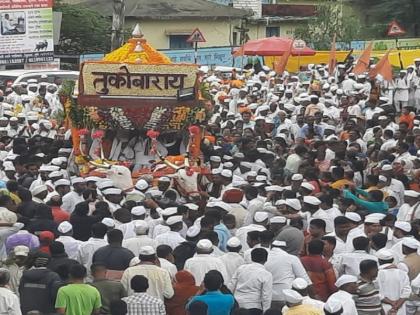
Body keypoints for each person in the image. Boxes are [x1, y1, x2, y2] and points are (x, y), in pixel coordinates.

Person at [265, 240, 311, 308]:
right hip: (287, 297)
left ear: (271, 247)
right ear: (285, 248)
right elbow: (304, 278)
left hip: (268, 297)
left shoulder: (264, 258)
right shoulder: (292, 258)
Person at [229, 248, 272, 314]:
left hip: (237, 304)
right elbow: (266, 296)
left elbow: (231, 285)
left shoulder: (241, 268)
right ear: (266, 259)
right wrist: (266, 311)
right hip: (254, 307)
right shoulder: (266, 274)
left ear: (251, 257)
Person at [376, 249, 411, 315]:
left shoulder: (377, 274)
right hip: (399, 308)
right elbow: (407, 291)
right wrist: (396, 306)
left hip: (383, 308)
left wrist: (391, 303)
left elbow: (377, 293)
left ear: (379, 261)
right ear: (392, 260)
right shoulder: (402, 273)